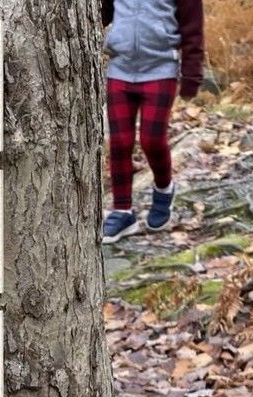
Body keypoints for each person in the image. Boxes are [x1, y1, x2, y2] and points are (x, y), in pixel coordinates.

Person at [101, 0, 205, 243]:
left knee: (152, 140)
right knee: (119, 142)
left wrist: (191, 77)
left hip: (161, 70)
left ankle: (164, 190)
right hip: (120, 68)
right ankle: (122, 211)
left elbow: (193, 30)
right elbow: (100, 13)